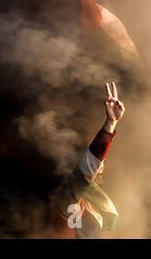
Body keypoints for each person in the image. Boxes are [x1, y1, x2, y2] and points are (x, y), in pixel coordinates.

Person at [50, 82, 125, 238]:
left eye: (102, 163)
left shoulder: (92, 203)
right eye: (99, 163)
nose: (101, 165)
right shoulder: (71, 197)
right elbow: (88, 167)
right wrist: (110, 123)